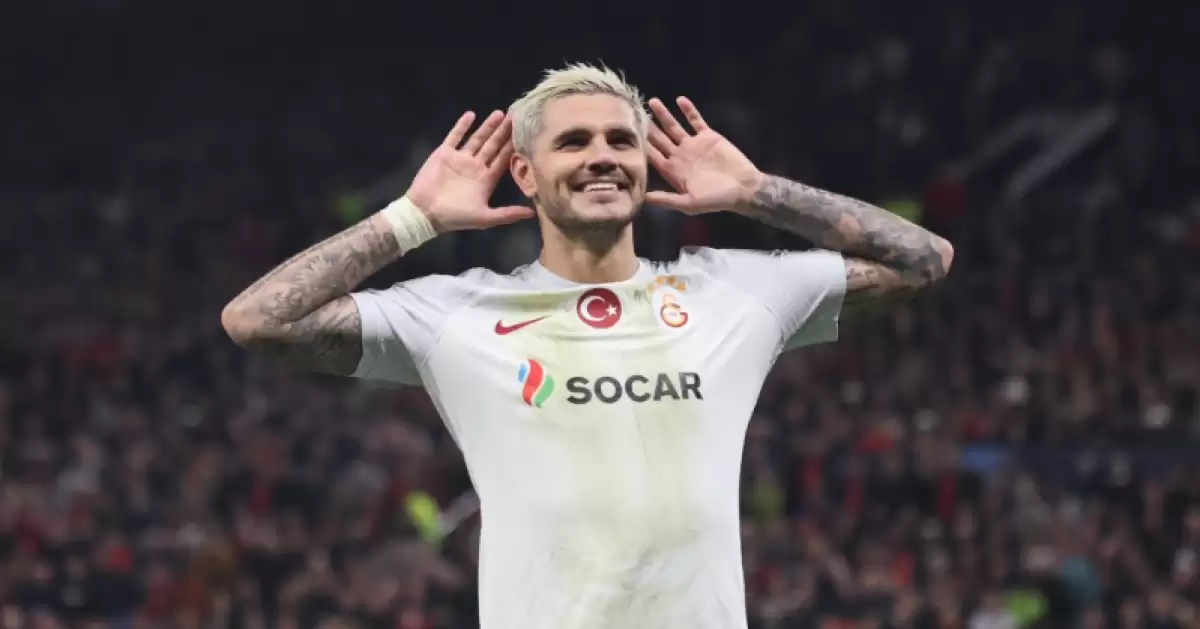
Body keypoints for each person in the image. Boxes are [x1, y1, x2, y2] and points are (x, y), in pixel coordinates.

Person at [221, 63, 954, 629]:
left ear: (645, 164)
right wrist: (414, 218)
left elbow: (924, 259)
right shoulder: (457, 312)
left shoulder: (732, 291)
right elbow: (259, 320)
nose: (602, 156)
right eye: (573, 142)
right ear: (524, 174)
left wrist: (757, 191)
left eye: (620, 141)